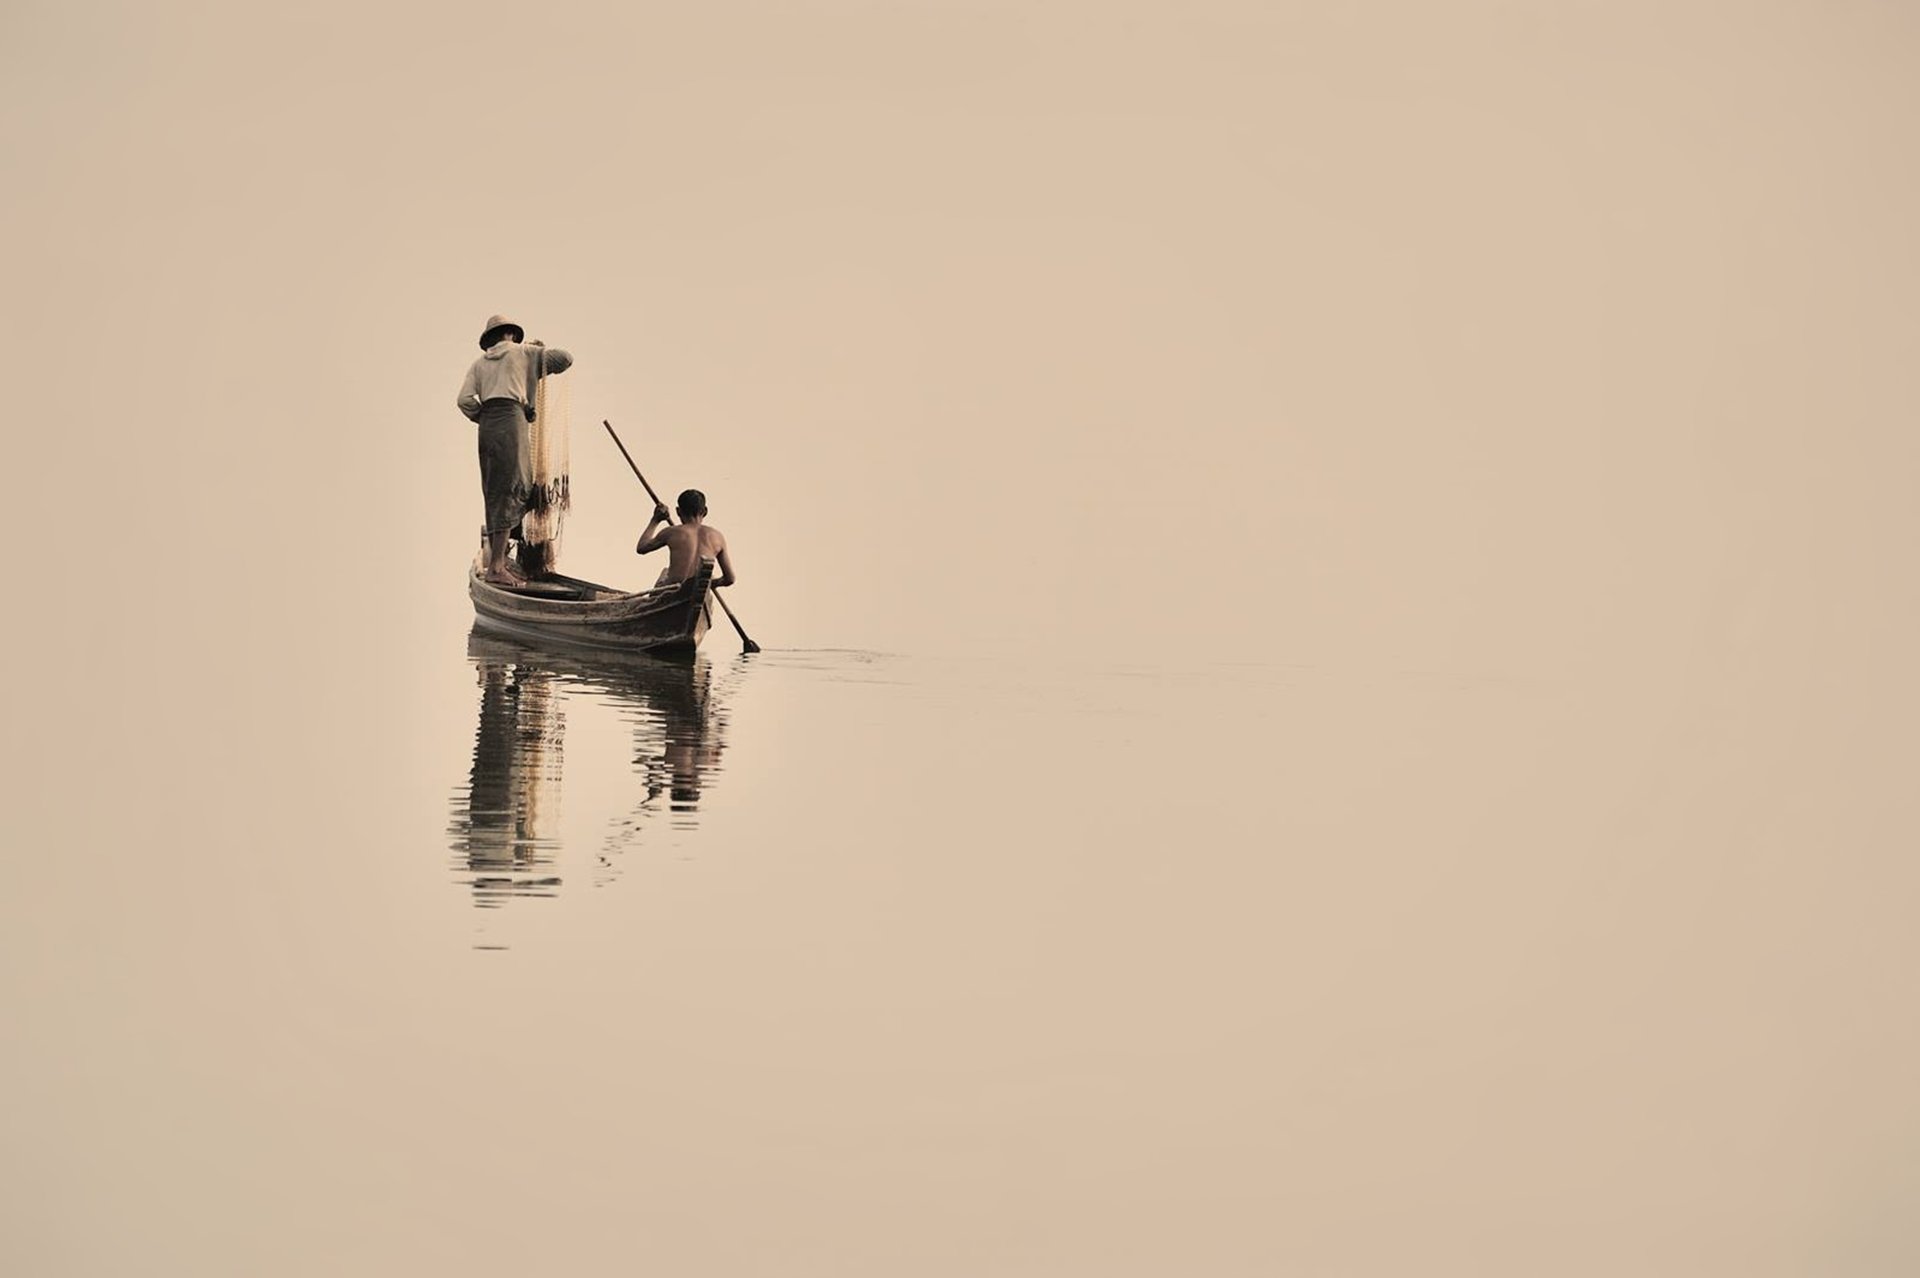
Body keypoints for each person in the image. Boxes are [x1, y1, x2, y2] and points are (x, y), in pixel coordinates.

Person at [456, 314, 574, 585]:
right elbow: (565, 358)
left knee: (497, 488)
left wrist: (483, 417)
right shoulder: (524, 353)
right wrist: (536, 355)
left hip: (488, 427)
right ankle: (497, 566)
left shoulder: (478, 364)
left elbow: (464, 400)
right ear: (511, 334)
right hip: (512, 422)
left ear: (491, 339)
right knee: (515, 485)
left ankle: (500, 552)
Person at [636, 489, 737, 589]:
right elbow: (730, 579)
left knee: (665, 572)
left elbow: (641, 547)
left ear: (678, 511)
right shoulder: (717, 537)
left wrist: (655, 520)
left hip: (673, 592)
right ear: (705, 511)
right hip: (697, 592)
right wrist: (710, 583)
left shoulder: (671, 532)